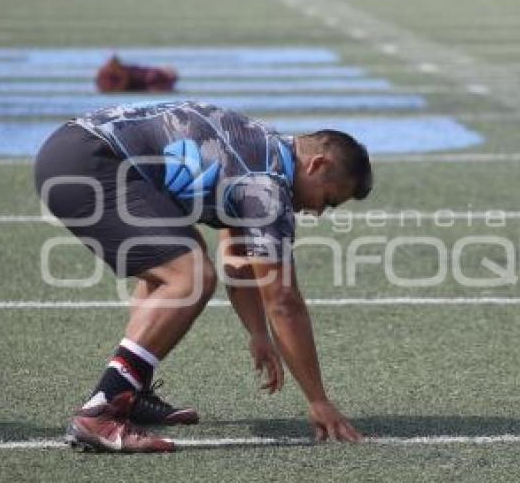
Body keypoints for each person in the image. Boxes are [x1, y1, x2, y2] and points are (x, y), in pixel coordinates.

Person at [34, 100, 372, 452]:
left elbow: (238, 257)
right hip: (90, 162)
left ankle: (130, 393)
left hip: (75, 149)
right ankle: (101, 410)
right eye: (329, 199)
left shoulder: (265, 149)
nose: (317, 211)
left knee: (174, 257)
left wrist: (258, 333)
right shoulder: (267, 183)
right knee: (189, 275)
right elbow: (284, 302)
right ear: (318, 165)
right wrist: (318, 400)